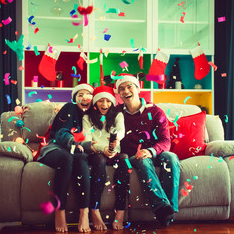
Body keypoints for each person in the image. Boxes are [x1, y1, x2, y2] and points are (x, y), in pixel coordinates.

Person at [114, 73, 180, 227]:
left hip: (154, 153)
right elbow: (97, 113)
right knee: (142, 160)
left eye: (129, 86)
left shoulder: (155, 111)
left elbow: (165, 141)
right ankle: (162, 209)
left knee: (171, 157)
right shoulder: (116, 113)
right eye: (121, 89)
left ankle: (168, 210)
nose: (125, 91)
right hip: (132, 158)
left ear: (138, 88)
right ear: (119, 94)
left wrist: (150, 151)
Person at [37, 83, 101, 233]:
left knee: (80, 158)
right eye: (80, 95)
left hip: (77, 152)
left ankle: (84, 213)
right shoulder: (69, 108)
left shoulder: (93, 115)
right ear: (75, 99)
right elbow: (61, 133)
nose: (84, 98)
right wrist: (76, 142)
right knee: (67, 158)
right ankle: (60, 212)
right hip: (56, 148)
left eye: (88, 95)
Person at [82, 85, 129, 230]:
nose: (104, 104)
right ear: (95, 103)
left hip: (114, 151)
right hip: (95, 153)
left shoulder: (117, 115)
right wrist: (103, 149)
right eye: (100, 101)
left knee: (124, 159)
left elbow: (121, 131)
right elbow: (86, 140)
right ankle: (94, 210)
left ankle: (120, 213)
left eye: (108, 101)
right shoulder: (87, 118)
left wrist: (113, 145)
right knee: (100, 160)